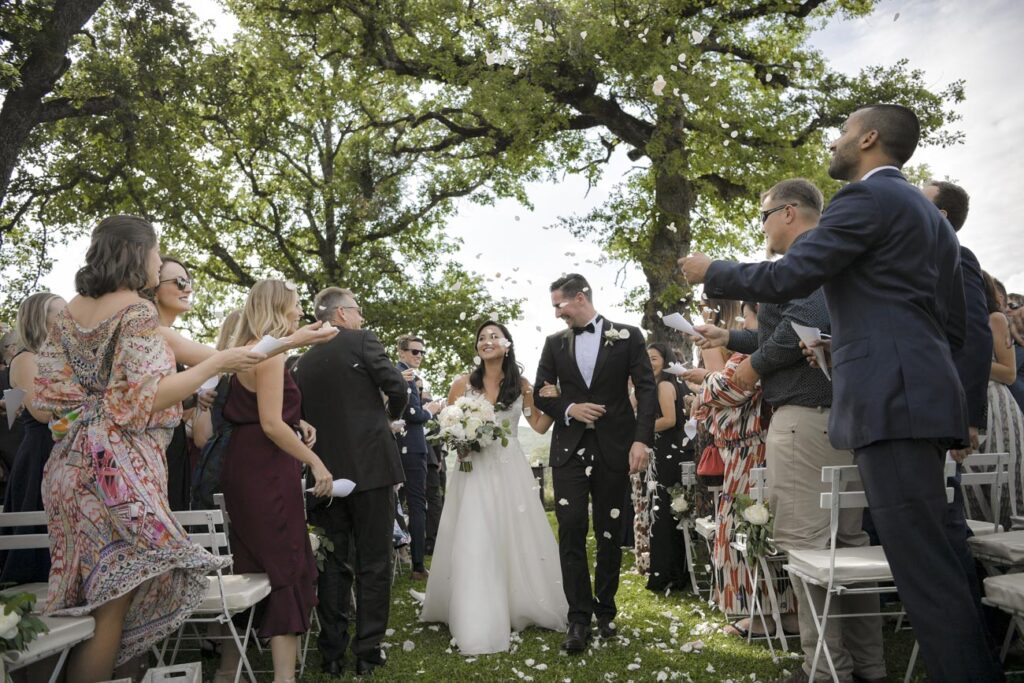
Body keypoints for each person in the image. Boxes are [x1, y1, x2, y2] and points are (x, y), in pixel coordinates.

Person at [680, 104, 999, 681]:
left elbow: (788, 278)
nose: (835, 141)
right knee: (938, 566)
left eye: (844, 132)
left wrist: (711, 270)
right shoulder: (930, 221)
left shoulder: (865, 199)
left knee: (923, 574)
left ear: (870, 138)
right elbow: (955, 329)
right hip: (920, 400)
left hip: (889, 405)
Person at [34, 215, 264, 682]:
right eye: (157, 254)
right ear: (136, 253)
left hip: (66, 471)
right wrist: (218, 361)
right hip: (115, 475)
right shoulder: (136, 313)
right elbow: (145, 397)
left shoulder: (68, 312)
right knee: (111, 614)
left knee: (89, 607)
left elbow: (44, 403)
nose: (160, 265)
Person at [696, 178, 883, 681]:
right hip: (841, 419)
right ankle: (868, 665)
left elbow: (803, 320)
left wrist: (748, 367)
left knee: (805, 548)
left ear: (788, 213)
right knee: (848, 548)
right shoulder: (837, 258)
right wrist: (731, 335)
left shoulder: (809, 260)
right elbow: (799, 326)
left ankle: (825, 669)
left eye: (762, 216)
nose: (761, 228)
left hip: (805, 421)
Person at [420, 321, 568, 654]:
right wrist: (461, 441)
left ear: (508, 344)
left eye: (494, 337)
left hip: (509, 467)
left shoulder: (523, 386)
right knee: (475, 534)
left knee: (513, 533)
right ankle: (473, 609)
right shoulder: (461, 384)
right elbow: (448, 425)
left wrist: (556, 401)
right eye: (482, 338)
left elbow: (539, 425)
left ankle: (519, 602)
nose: (487, 341)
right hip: (472, 469)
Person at [216, 279, 332, 683]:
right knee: (286, 566)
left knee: (250, 565)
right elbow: (269, 423)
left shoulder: (249, 348)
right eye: (296, 304)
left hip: (246, 464)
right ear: (280, 307)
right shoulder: (269, 353)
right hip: (265, 466)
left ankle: (229, 671)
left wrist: (297, 420)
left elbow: (260, 409)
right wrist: (317, 462)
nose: (300, 312)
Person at [533, 273, 657, 652]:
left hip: (615, 448)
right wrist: (570, 407)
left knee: (608, 530)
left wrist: (641, 441)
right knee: (570, 527)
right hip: (569, 450)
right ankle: (578, 617)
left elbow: (648, 389)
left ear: (581, 297)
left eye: (560, 305)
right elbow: (540, 392)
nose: (556, 313)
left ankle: (605, 611)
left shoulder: (629, 335)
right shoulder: (554, 344)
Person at [292, 287, 409, 677]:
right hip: (373, 467)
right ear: (341, 315)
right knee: (373, 562)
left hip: (325, 473)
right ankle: (368, 650)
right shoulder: (361, 341)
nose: (360, 318)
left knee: (334, 564)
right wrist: (387, 416)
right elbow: (397, 386)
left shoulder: (301, 362)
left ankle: (331, 655)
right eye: (357, 311)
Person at [0, 293, 65, 585]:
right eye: (59, 313)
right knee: (38, 531)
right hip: (41, 451)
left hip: (63, 448)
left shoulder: (59, 358)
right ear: (40, 319)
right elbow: (41, 412)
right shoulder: (26, 358)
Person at [965, 272, 1024, 529]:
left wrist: (964, 361)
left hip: (997, 406)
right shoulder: (955, 323)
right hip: (964, 405)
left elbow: (1009, 373)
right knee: (971, 489)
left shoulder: (996, 319)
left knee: (1009, 486)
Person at [641, 342, 690, 593]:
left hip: (668, 453)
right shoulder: (670, 384)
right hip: (670, 451)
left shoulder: (664, 385)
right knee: (667, 512)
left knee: (662, 513)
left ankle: (665, 575)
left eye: (654, 358)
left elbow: (669, 420)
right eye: (646, 358)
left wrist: (639, 429)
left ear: (666, 360)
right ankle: (674, 572)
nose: (650, 362)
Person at [151, 256, 199, 510]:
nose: (187, 288)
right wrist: (290, 342)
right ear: (153, 289)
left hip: (175, 447)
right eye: (179, 282)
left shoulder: (173, 341)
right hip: (154, 454)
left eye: (188, 281)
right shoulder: (151, 335)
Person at [394, 334, 443, 580]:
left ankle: (411, 561)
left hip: (402, 447)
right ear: (401, 352)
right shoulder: (403, 375)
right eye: (414, 351)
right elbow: (413, 413)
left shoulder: (405, 375)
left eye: (422, 352)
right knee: (416, 505)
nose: (419, 356)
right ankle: (416, 565)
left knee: (404, 506)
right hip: (410, 448)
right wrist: (431, 410)